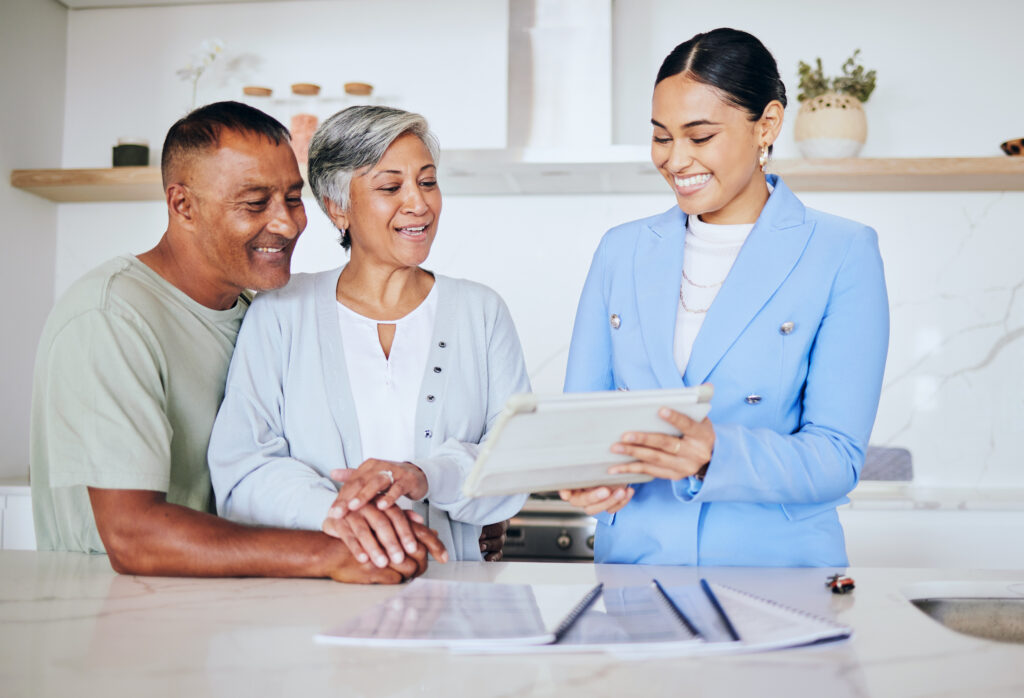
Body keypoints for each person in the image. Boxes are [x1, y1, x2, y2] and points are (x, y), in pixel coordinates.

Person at [30, 101, 442, 583]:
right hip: (111, 616)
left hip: (216, 614)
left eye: (293, 198)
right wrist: (330, 554)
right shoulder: (109, 319)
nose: (288, 224)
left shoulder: (258, 313)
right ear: (183, 205)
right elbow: (131, 535)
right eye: (254, 203)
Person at [560, 28, 889, 567]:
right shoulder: (619, 251)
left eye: (700, 135)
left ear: (768, 125)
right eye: (662, 137)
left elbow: (838, 455)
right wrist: (582, 476)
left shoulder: (842, 252)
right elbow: (579, 426)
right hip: (637, 572)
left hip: (779, 577)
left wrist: (717, 453)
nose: (675, 159)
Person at [208, 105, 528, 568]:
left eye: (428, 181)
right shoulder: (280, 312)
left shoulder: (481, 312)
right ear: (338, 207)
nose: (419, 203)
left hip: (453, 602)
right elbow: (242, 470)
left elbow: (514, 459)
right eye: (390, 186)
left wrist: (427, 476)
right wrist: (340, 514)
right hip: (316, 600)